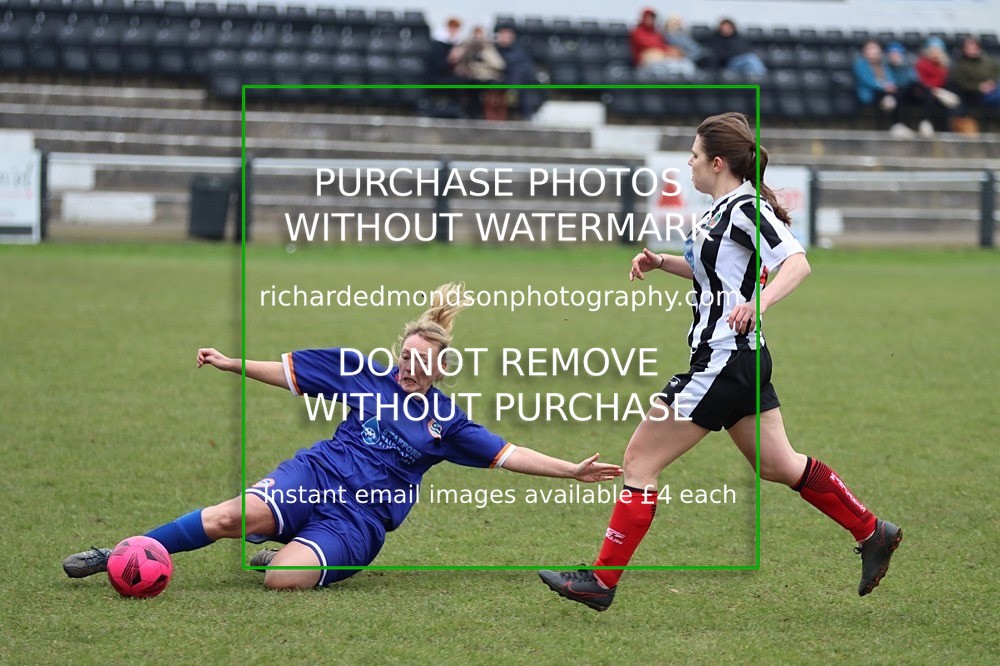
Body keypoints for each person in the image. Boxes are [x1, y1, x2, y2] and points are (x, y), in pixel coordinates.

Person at [538, 113, 902, 612]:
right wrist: (662, 262)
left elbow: (796, 261)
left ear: (716, 162)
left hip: (724, 359)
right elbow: (717, 273)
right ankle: (871, 530)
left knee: (641, 460)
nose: (687, 162)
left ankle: (600, 582)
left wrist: (761, 303)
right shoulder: (718, 210)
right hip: (740, 361)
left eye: (692, 154)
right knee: (778, 464)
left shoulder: (745, 207)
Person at [63, 284, 623, 590]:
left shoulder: (448, 423)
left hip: (359, 520)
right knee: (224, 519)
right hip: (315, 476)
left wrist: (571, 470)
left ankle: (289, 552)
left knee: (284, 581)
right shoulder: (361, 372)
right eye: (405, 355)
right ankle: (119, 552)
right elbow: (290, 375)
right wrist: (232, 363)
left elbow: (509, 454)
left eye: (421, 361)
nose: (409, 366)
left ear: (441, 368)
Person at [854, 40, 911, 136]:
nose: (873, 51)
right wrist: (884, 86)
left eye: (875, 48)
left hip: (886, 91)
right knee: (885, 94)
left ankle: (897, 125)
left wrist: (891, 85)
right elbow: (868, 81)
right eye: (870, 49)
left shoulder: (883, 64)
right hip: (871, 93)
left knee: (899, 93)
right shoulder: (860, 64)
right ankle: (889, 105)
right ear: (865, 51)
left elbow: (890, 78)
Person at [629, 7, 697, 79]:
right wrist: (663, 50)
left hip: (662, 59)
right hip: (645, 64)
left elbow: (662, 45)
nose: (650, 20)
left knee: (686, 65)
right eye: (648, 17)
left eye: (652, 17)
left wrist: (670, 51)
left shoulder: (657, 32)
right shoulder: (637, 32)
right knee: (661, 70)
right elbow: (648, 44)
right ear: (643, 18)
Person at [495, 27, 542, 120]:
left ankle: (514, 92)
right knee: (518, 79)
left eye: (506, 36)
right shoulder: (496, 49)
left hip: (520, 77)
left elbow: (526, 65)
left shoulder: (519, 49)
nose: (504, 38)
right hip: (503, 76)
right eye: (502, 36)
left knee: (519, 73)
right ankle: (514, 92)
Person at [951, 37, 1000, 112]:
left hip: (993, 87)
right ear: (963, 50)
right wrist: (979, 87)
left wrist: (992, 82)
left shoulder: (988, 59)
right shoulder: (960, 65)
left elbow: (997, 71)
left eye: (974, 47)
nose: (972, 50)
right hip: (976, 94)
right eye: (968, 48)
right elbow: (962, 83)